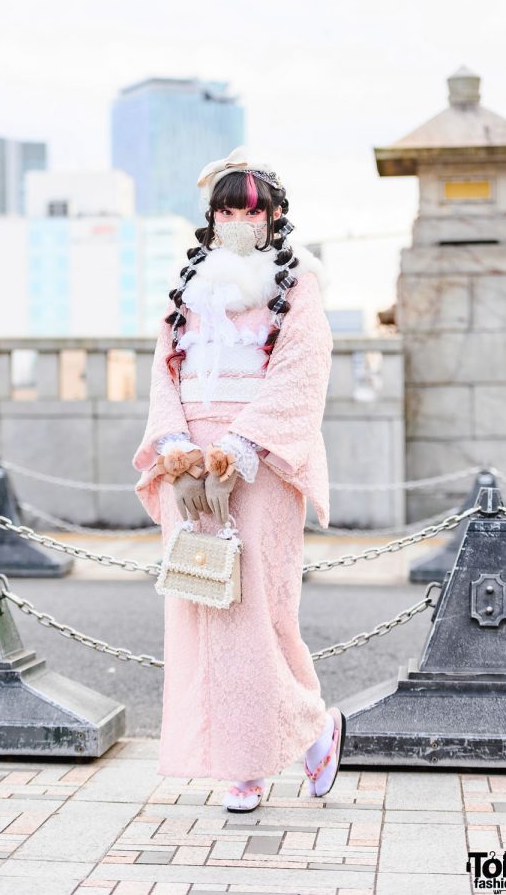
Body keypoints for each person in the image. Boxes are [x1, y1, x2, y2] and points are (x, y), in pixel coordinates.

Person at [132, 145, 346, 812]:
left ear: (275, 215)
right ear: (212, 214)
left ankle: (280, 744)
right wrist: (173, 443)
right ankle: (263, 754)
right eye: (228, 208)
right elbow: (165, 369)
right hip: (188, 464)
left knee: (258, 611)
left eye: (252, 209)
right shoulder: (188, 282)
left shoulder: (299, 283)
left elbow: (302, 373)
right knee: (201, 609)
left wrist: (238, 446)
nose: (239, 219)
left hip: (257, 459)